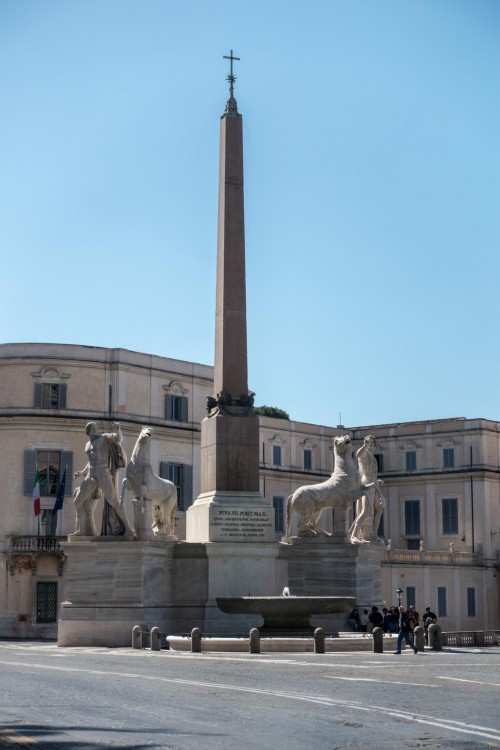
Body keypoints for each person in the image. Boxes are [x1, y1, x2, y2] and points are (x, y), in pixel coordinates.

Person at [71, 421, 136, 538]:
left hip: (103, 474)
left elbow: (117, 438)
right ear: (88, 431)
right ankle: (81, 530)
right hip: (91, 475)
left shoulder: (103, 439)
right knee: (77, 501)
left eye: (96, 427)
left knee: (114, 501)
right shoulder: (87, 445)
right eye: (93, 428)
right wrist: (82, 472)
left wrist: (118, 430)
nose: (95, 429)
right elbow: (90, 461)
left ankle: (129, 529)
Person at [351, 435, 385, 543]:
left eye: (372, 442)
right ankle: (354, 535)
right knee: (365, 511)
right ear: (365, 442)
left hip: (373, 485)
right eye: (368, 442)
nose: (370, 444)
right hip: (366, 484)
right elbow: (358, 454)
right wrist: (363, 446)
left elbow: (374, 479)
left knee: (379, 509)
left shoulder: (373, 457)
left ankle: (374, 535)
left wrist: (381, 496)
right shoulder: (364, 453)